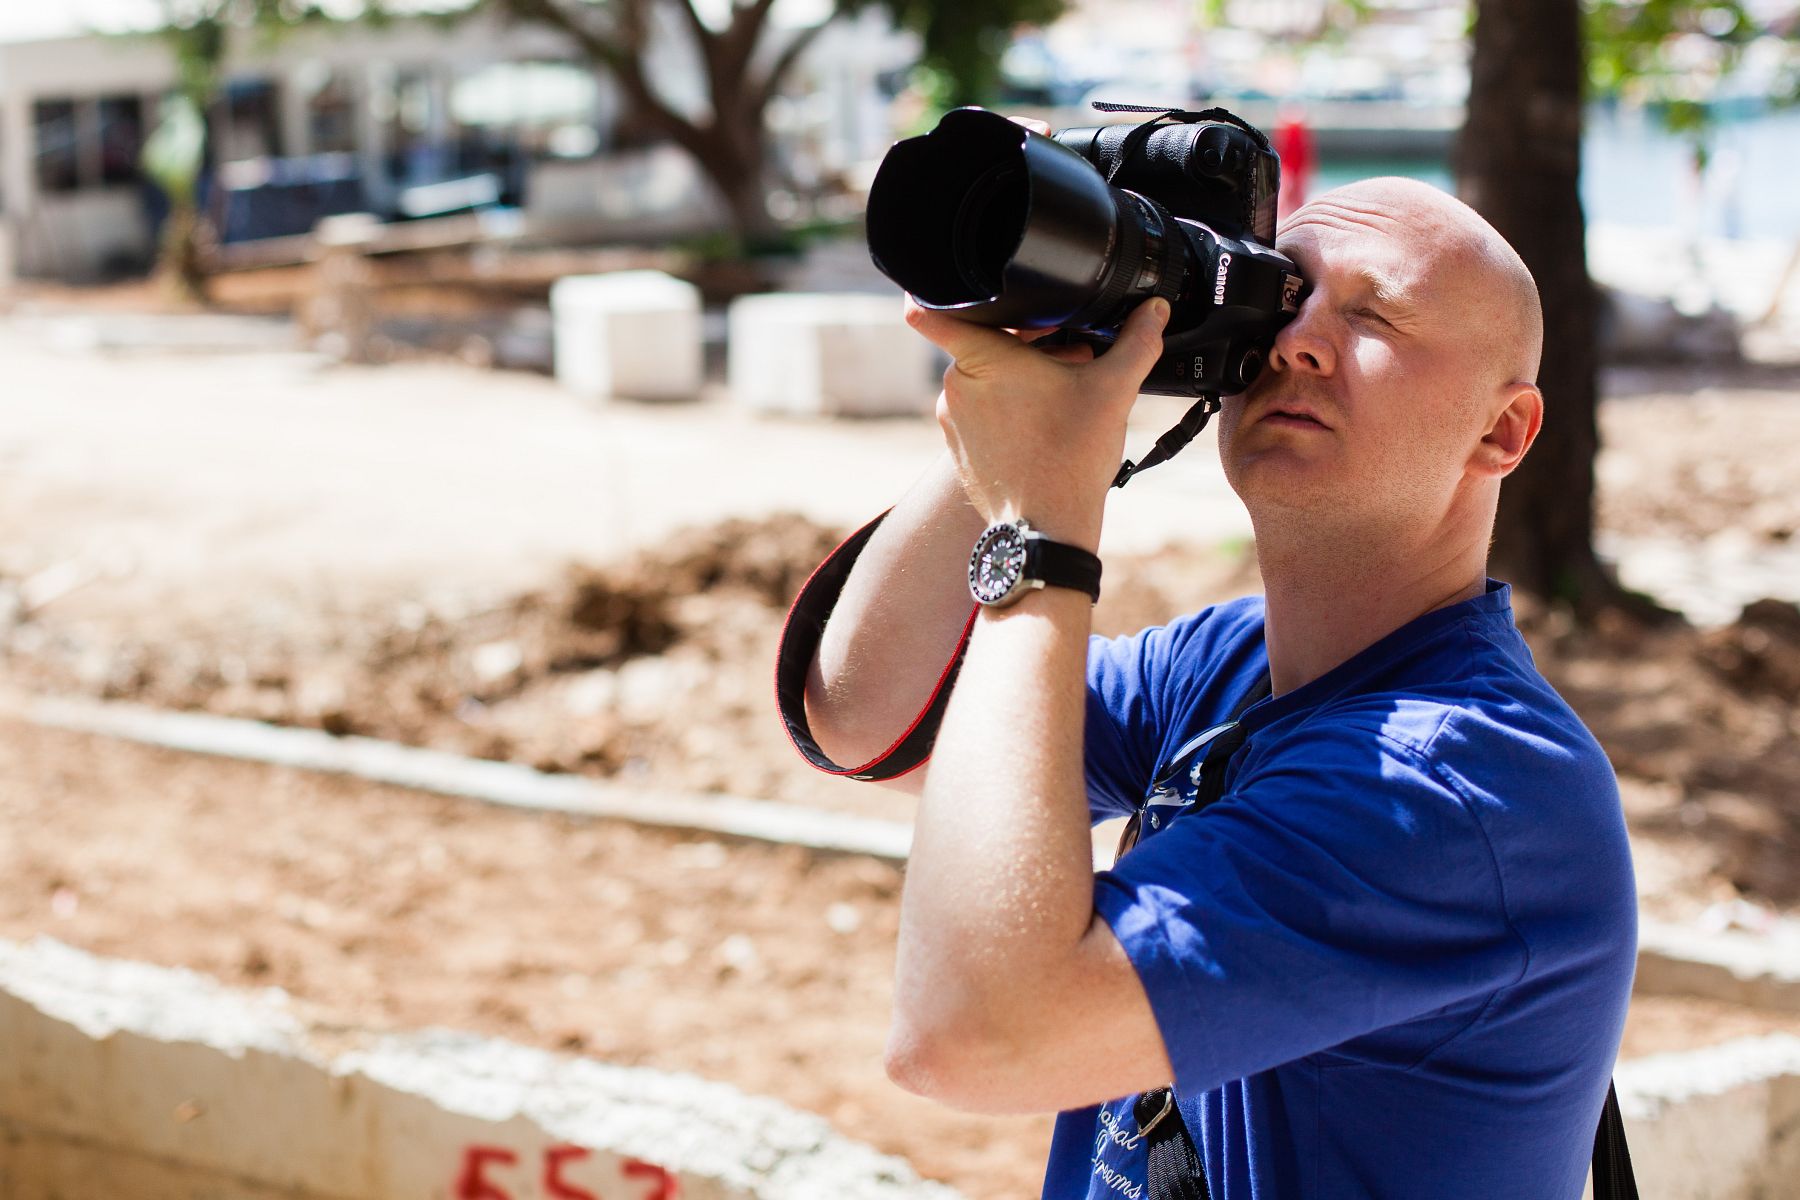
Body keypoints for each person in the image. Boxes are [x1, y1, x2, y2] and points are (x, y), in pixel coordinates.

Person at [796, 176, 1637, 1199]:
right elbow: (872, 715)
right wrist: (1037, 367)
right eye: (1283, 299)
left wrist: (1044, 524)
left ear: (1503, 433)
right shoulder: (1229, 662)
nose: (1297, 342)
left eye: (1372, 315)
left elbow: (969, 1037)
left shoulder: (1464, 784)